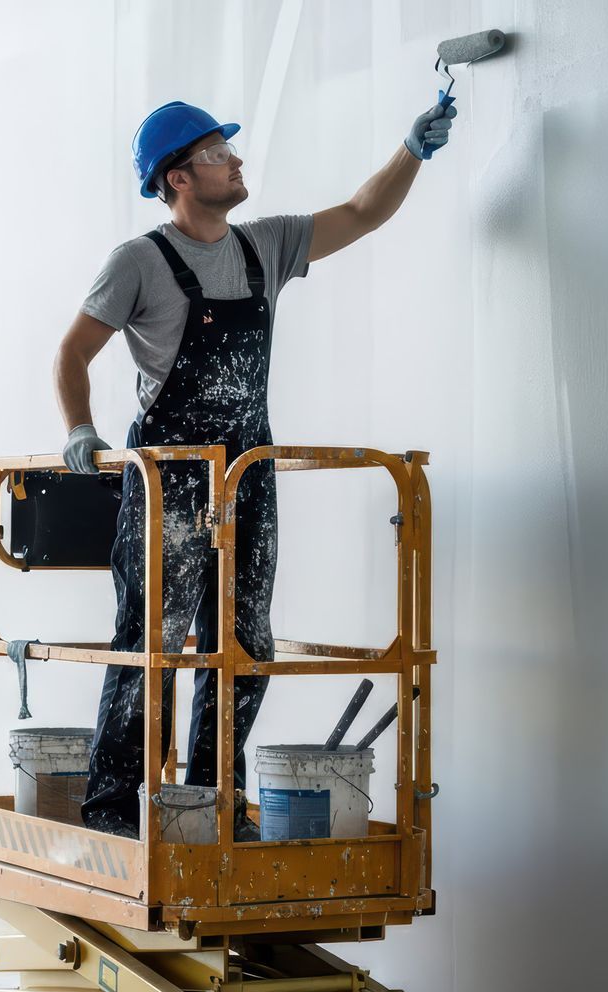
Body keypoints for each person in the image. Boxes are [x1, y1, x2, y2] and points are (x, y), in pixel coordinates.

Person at [56, 98, 456, 838]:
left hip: (247, 474)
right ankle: (115, 809)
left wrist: (411, 149)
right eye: (216, 154)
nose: (235, 162)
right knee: (155, 640)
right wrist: (80, 426)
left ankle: (210, 802)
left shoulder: (262, 247)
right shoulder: (139, 261)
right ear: (177, 177)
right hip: (170, 473)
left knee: (245, 642)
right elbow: (74, 350)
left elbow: (363, 213)